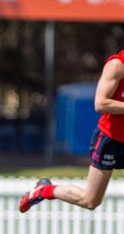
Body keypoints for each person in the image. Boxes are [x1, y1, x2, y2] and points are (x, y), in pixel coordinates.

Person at [19, 50, 124, 213]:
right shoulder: (117, 65)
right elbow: (100, 103)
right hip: (110, 139)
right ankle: (44, 190)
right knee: (90, 200)